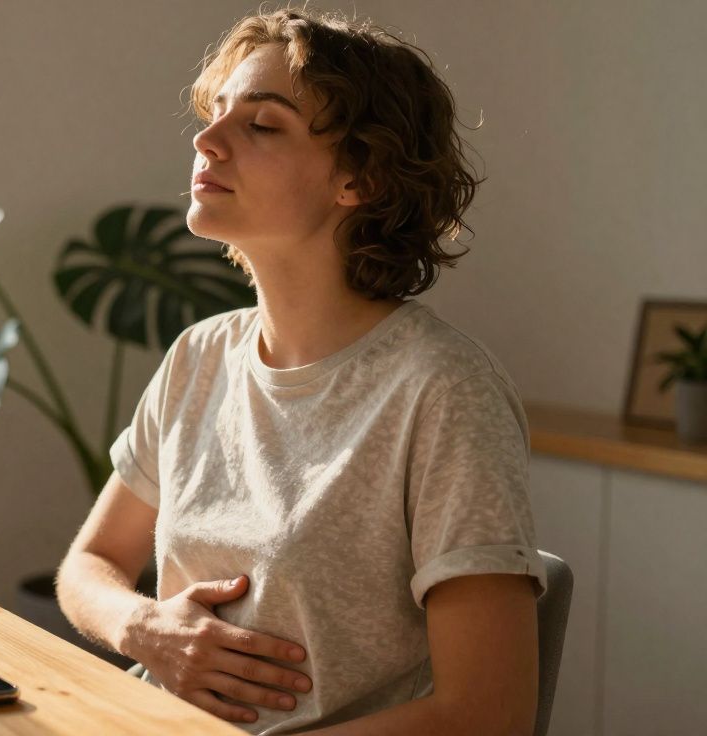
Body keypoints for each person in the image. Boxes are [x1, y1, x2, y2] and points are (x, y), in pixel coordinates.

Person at [55, 6, 546, 735]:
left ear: (361, 179)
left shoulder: (442, 390)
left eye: (261, 125)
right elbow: (88, 563)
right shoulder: (198, 356)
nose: (206, 140)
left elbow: (488, 713)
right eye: (216, 113)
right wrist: (145, 628)